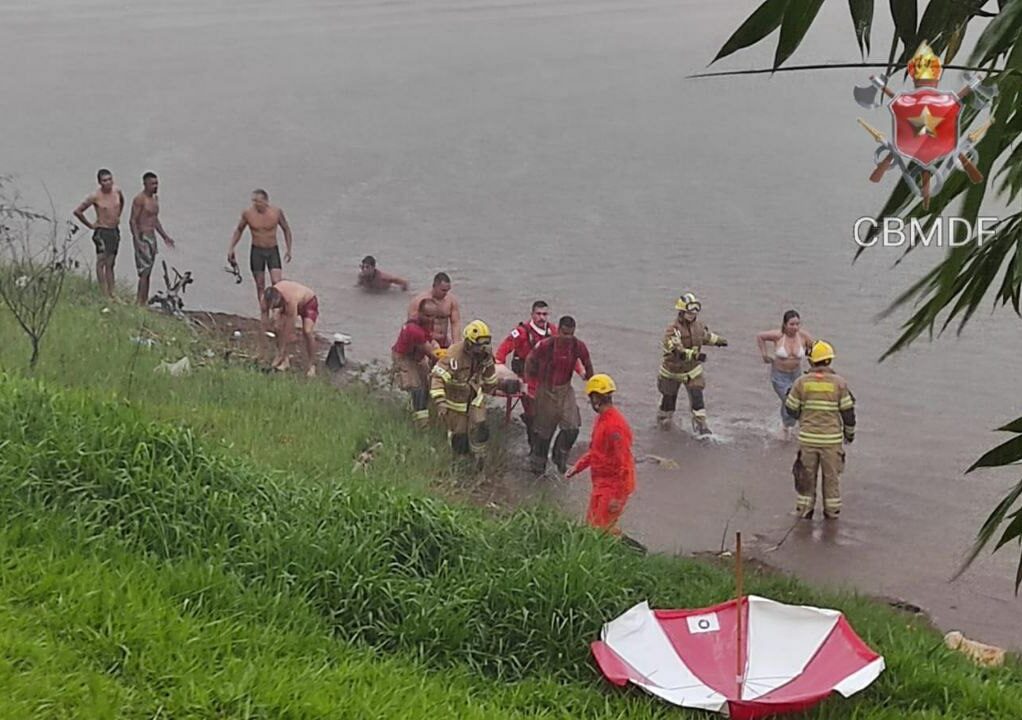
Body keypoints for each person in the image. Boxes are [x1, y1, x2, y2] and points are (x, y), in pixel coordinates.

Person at [784, 341, 856, 520]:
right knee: (831, 479)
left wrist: (803, 415)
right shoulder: (840, 383)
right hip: (831, 442)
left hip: (808, 440)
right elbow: (848, 413)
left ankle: (804, 514)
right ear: (829, 360)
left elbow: (791, 409)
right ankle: (832, 517)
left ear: (811, 361)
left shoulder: (801, 383)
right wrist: (849, 434)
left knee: (806, 479)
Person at [566, 374, 636, 534]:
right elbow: (596, 451)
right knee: (592, 525)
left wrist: (618, 496)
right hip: (601, 483)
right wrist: (577, 467)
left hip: (613, 486)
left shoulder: (614, 426)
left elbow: (624, 462)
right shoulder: (602, 420)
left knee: (600, 529)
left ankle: (635, 553)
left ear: (596, 398)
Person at [525, 315, 594, 474]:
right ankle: (538, 465)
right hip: (546, 388)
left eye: (571, 334)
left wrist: (592, 388)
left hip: (565, 389)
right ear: (559, 330)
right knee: (543, 432)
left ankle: (559, 454)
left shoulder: (578, 346)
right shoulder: (546, 345)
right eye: (564, 333)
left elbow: (588, 364)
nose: (567, 337)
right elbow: (530, 360)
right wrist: (530, 384)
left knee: (572, 427)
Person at [656, 292, 728, 436]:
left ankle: (702, 428)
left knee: (697, 398)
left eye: (694, 312)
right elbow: (677, 351)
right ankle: (663, 426)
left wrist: (719, 341)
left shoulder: (699, 326)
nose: (692, 315)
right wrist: (694, 355)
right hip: (672, 372)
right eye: (689, 312)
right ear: (681, 312)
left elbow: (705, 337)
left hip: (692, 371)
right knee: (668, 402)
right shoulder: (672, 330)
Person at [430, 320, 498, 462]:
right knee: (459, 438)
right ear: (469, 343)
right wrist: (440, 402)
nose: (481, 349)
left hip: (474, 399)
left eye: (484, 345)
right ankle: (460, 463)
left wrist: (494, 384)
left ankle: (480, 460)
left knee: (481, 429)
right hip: (455, 403)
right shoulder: (454, 355)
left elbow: (490, 377)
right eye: (478, 346)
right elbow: (437, 378)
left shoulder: (485, 355)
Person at [494, 300, 556, 448]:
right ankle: (533, 443)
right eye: (538, 314)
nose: (542, 317)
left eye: (545, 314)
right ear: (532, 315)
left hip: (544, 378)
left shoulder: (553, 331)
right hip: (525, 376)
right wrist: (498, 366)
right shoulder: (522, 332)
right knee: (532, 410)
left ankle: (539, 442)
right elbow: (504, 348)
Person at [227, 189, 294, 324]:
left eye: (258, 201)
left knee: (277, 282)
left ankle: (278, 312)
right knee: (260, 284)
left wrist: (288, 249)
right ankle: (264, 313)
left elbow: (286, 229)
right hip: (257, 251)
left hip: (272, 250)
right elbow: (239, 230)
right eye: (254, 201)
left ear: (265, 201)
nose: (255, 204)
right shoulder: (248, 214)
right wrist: (231, 248)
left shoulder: (276, 212)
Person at [757, 310, 814, 437]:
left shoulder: (803, 336)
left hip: (796, 375)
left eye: (797, 324)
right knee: (789, 401)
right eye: (792, 324)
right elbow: (760, 336)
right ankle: (787, 427)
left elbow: (815, 348)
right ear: (785, 324)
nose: (795, 328)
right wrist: (765, 355)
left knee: (796, 401)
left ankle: (787, 426)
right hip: (779, 376)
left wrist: (814, 367)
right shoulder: (778, 335)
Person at [73, 168, 124, 298]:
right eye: (104, 181)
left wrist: (118, 215)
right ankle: (104, 292)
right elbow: (78, 211)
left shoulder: (117, 191)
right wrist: (90, 225)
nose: (108, 183)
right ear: (100, 182)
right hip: (102, 230)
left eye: (109, 180)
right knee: (101, 261)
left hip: (114, 230)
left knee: (111, 263)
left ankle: (113, 292)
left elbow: (121, 202)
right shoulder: (95, 196)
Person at [128, 172, 176, 305]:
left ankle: (144, 301)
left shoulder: (155, 199)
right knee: (143, 272)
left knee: (148, 271)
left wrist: (165, 236)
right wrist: (137, 241)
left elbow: (154, 220)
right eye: (152, 184)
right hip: (142, 236)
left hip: (152, 236)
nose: (155, 186)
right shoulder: (139, 199)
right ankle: (139, 302)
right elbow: (132, 221)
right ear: (145, 184)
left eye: (157, 183)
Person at [393, 299, 439, 427]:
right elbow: (432, 353)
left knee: (428, 384)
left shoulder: (427, 324)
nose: (430, 319)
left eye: (433, 316)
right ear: (420, 313)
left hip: (417, 357)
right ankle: (422, 424)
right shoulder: (414, 330)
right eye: (427, 315)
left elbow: (430, 339)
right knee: (417, 388)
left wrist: (435, 343)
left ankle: (418, 410)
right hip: (404, 357)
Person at [263, 280, 319, 377]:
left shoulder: (290, 300)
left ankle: (312, 365)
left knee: (307, 331)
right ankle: (285, 360)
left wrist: (281, 351)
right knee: (277, 327)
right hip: (285, 303)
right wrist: (263, 340)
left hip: (308, 303)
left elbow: (289, 330)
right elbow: (264, 319)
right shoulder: (264, 299)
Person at [407, 272, 461, 348]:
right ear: (434, 286)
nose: (446, 293)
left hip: (444, 341)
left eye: (447, 290)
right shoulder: (419, 301)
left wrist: (456, 344)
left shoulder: (451, 301)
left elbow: (455, 323)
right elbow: (412, 326)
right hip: (426, 342)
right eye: (443, 290)